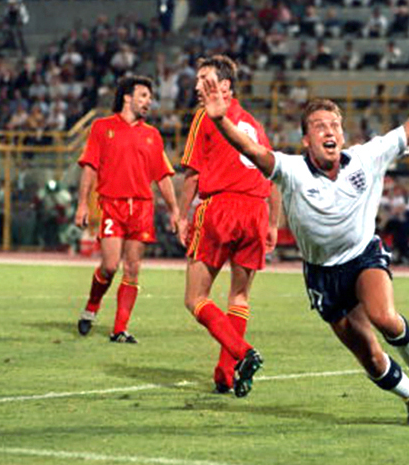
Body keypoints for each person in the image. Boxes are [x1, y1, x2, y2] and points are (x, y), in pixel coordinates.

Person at [200, 46, 409, 425]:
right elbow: (251, 149)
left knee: (384, 317)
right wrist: (221, 122)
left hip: (363, 256)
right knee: (369, 356)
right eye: (319, 126)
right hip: (322, 276)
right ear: (306, 140)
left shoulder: (367, 157)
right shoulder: (291, 170)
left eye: (334, 125)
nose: (329, 131)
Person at [177, 55, 281, 397]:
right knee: (239, 296)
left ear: (224, 87)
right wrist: (273, 223)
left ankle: (242, 353)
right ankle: (225, 374)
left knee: (196, 298)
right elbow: (273, 174)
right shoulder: (253, 123)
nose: (197, 86)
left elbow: (192, 174)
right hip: (256, 210)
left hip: (221, 207)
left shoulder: (207, 115)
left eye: (205, 79)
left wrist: (180, 216)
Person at [74, 75, 180, 343]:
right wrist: (82, 204)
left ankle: (119, 329)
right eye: (143, 95)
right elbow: (89, 167)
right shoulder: (101, 127)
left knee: (132, 268)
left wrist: (174, 210)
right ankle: (92, 307)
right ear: (127, 97)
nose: (149, 101)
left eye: (150, 97)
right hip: (112, 204)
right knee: (109, 266)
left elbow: (163, 177)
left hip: (142, 208)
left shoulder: (152, 135)